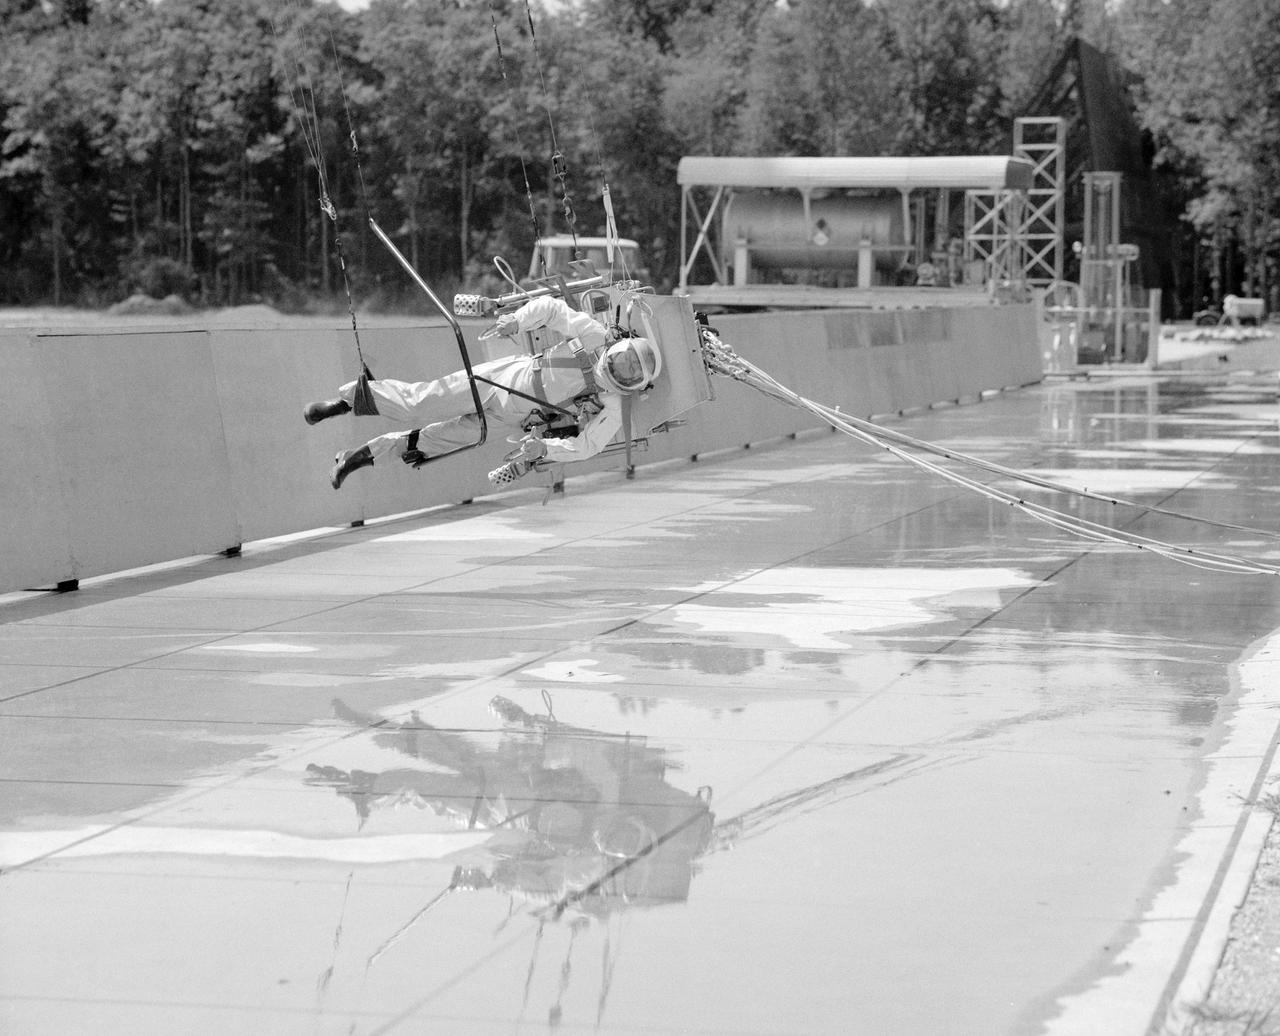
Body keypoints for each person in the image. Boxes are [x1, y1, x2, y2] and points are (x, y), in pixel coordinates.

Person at [303, 295, 663, 489]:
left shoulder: (612, 403)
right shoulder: (595, 336)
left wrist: (545, 449)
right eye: (625, 359)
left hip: (516, 418)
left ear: (634, 385)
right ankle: (345, 401)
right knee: (421, 402)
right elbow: (553, 310)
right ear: (620, 347)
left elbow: (588, 446)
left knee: (433, 442)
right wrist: (518, 320)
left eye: (630, 372)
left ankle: (356, 457)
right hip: (502, 379)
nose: (621, 368)